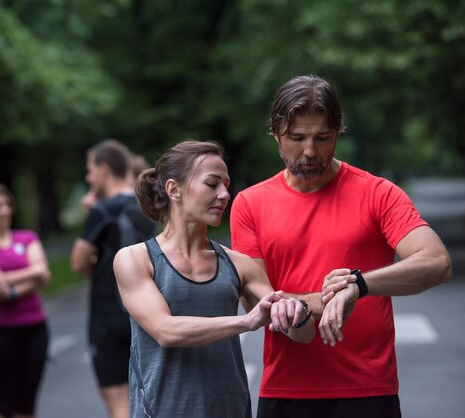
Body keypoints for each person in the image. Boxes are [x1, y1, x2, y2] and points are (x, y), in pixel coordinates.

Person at [230, 74, 453, 418]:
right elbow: (257, 300)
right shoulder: (250, 203)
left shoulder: (378, 193)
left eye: (322, 137)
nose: (309, 151)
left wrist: (359, 284)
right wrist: (330, 298)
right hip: (286, 388)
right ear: (276, 133)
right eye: (296, 138)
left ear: (338, 132)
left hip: (368, 388)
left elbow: (437, 262)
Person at [113, 140, 315, 418]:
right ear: (174, 190)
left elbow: (301, 335)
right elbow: (165, 331)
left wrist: (297, 313)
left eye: (226, 185)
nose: (225, 194)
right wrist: (246, 321)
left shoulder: (238, 263)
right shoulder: (135, 259)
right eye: (212, 184)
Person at [70, 140, 156, 418]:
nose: (88, 177)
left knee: (118, 400)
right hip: (145, 309)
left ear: (104, 169)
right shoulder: (147, 206)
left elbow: (78, 262)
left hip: (108, 313)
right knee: (147, 395)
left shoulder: (102, 210)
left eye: (90, 170)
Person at [0, 182, 51, 418]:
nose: (5, 210)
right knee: (6, 405)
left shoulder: (27, 237)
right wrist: (33, 271)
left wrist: (14, 287)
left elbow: (44, 275)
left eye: (7, 204)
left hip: (34, 328)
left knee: (27, 404)